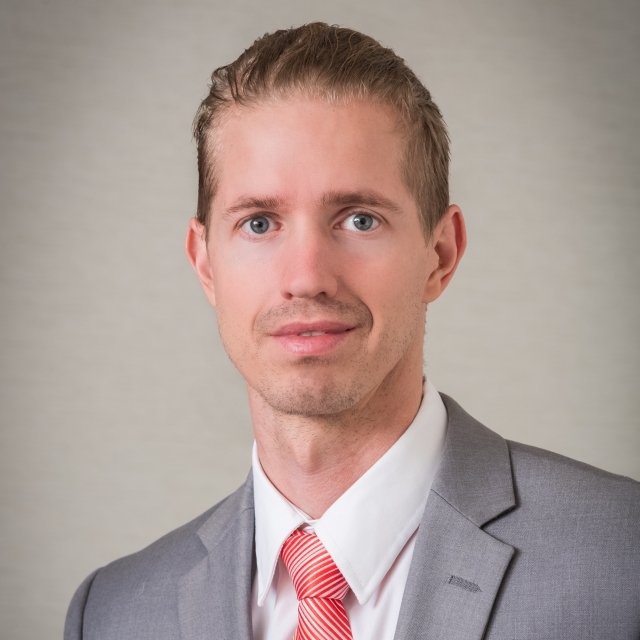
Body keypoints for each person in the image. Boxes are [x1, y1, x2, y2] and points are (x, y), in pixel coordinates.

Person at [64, 23, 640, 640]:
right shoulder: (112, 615)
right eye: (259, 223)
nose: (306, 278)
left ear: (440, 254)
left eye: (359, 219)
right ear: (205, 264)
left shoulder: (622, 559)